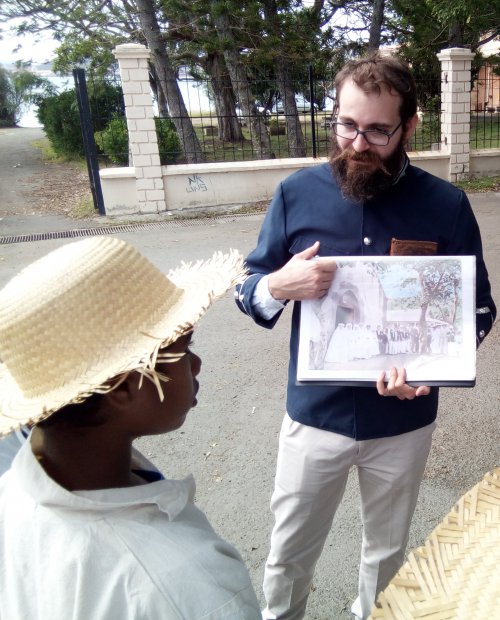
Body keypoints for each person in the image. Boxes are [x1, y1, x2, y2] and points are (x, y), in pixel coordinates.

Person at [235, 51, 496, 620]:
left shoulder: (446, 205)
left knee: (386, 554)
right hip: (314, 415)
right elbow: (247, 287)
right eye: (347, 124)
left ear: (409, 126)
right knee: (288, 552)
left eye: (378, 130)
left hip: (402, 421)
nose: (357, 143)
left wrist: (429, 372)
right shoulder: (296, 193)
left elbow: (476, 310)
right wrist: (277, 285)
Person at [0, 236, 261, 620]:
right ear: (123, 388)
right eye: (183, 348)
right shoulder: (190, 587)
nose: (196, 363)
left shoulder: (14, 491)